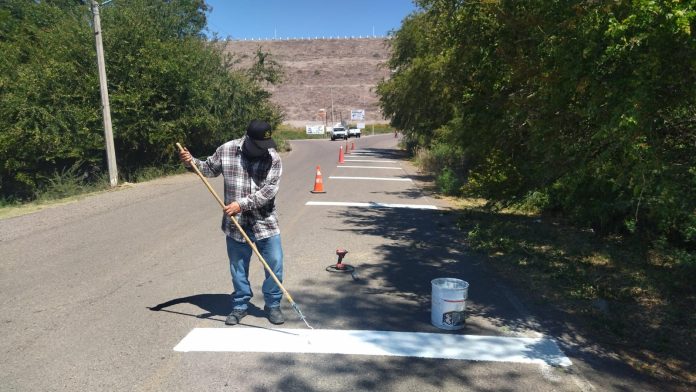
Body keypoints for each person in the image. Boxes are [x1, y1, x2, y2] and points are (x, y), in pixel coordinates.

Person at [179, 120, 285, 325]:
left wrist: (241, 205)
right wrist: (190, 161)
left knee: (275, 264)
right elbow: (208, 169)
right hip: (236, 224)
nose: (265, 150)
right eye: (259, 146)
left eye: (266, 145)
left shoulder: (273, 158)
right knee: (238, 268)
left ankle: (273, 305)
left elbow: (268, 192)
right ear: (248, 140)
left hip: (265, 222)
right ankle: (240, 305)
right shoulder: (227, 150)